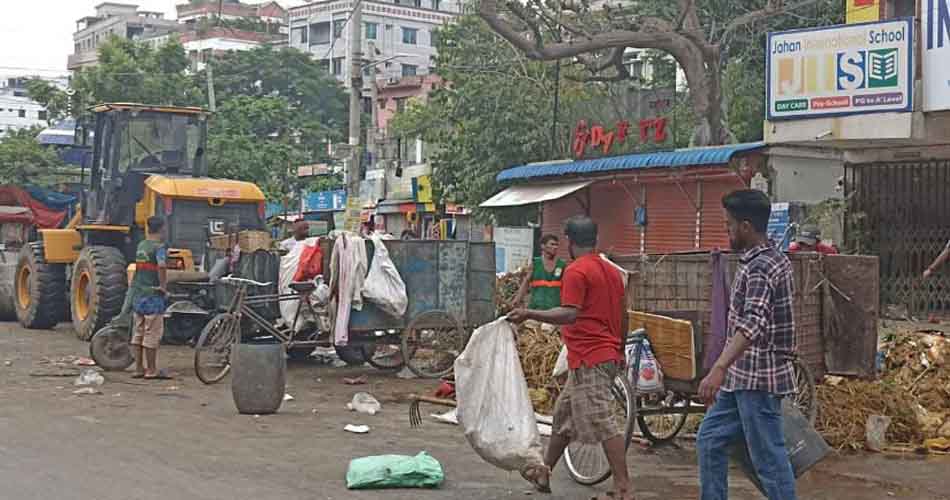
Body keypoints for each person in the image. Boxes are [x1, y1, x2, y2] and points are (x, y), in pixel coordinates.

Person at [508, 216, 633, 500]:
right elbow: (625, 314)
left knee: (603, 419)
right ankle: (545, 472)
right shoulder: (612, 272)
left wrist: (529, 313)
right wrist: (620, 348)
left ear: (569, 242)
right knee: (563, 417)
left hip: (591, 356)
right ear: (595, 239)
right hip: (598, 355)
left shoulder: (576, 271)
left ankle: (623, 486)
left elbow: (569, 313)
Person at [697, 190, 797, 500]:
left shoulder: (762, 266)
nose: (726, 231)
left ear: (745, 226)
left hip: (758, 378)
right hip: (740, 377)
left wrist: (718, 367)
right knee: (710, 440)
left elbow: (753, 323)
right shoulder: (762, 259)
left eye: (728, 225)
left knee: (768, 459)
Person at [129, 216, 171, 380]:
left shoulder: (142, 245)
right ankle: (151, 370)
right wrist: (163, 287)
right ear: (161, 229)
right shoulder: (159, 247)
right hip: (153, 296)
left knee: (138, 332)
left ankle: (139, 368)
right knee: (151, 333)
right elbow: (161, 265)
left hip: (139, 294)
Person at [510, 234, 567, 311]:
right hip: (536, 310)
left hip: (555, 311)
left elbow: (567, 287)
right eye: (552, 244)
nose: (555, 247)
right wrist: (517, 299)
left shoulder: (562, 265)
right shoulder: (535, 263)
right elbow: (526, 282)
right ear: (543, 246)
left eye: (556, 245)